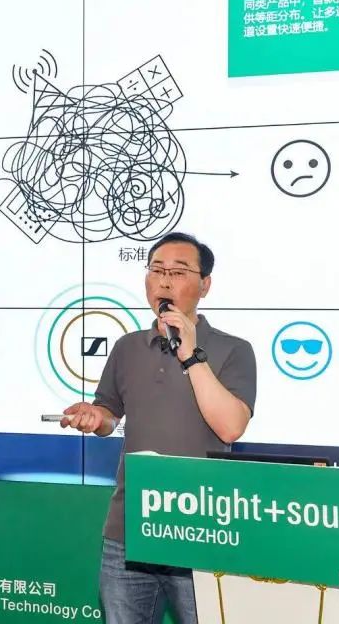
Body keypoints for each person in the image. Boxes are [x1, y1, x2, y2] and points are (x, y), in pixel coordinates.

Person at [61, 232, 257, 624]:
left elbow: (231, 427)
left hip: (202, 532)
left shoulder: (234, 350)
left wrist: (190, 353)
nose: (164, 282)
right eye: (156, 270)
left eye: (179, 272)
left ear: (205, 285)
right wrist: (96, 418)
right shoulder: (127, 347)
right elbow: (110, 414)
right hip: (128, 529)